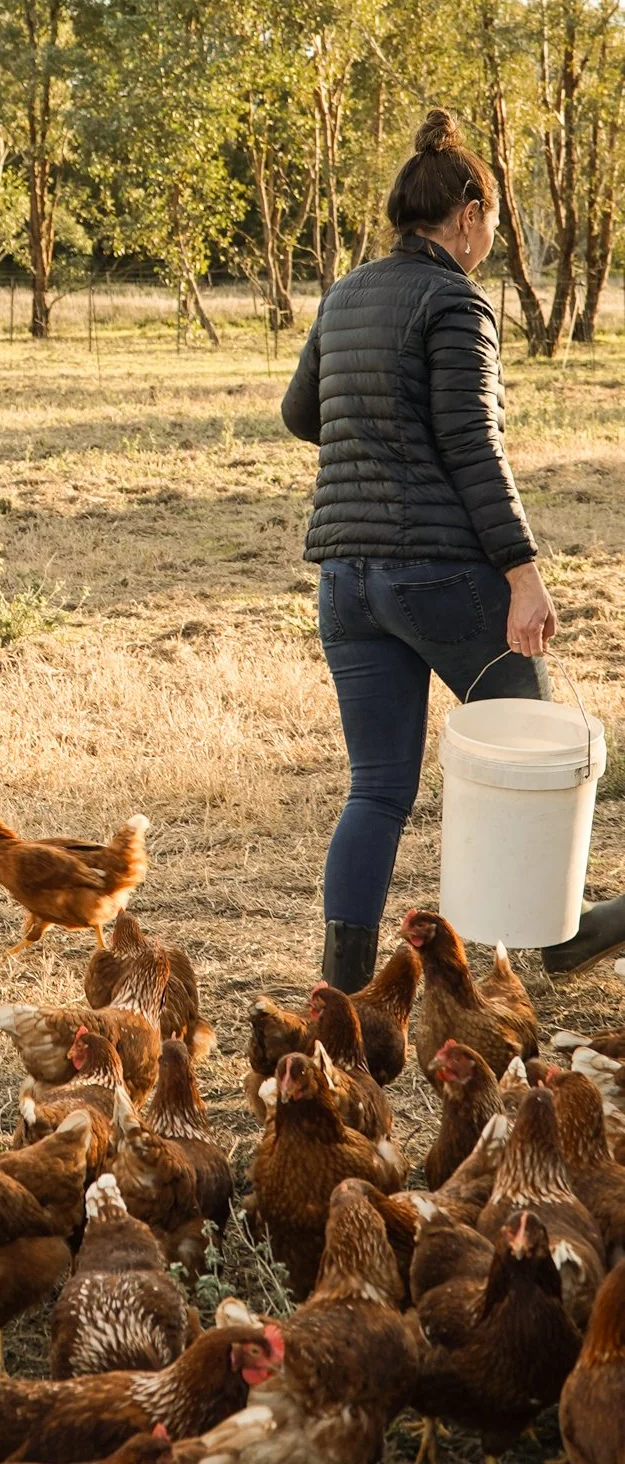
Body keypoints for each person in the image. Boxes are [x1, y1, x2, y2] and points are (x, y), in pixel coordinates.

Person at [281, 108, 556, 992]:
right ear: (469, 214)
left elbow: (299, 414)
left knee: (377, 791)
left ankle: (341, 991)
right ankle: (552, 942)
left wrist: (370, 431)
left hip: (344, 584)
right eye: (493, 223)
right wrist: (523, 575)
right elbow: (474, 444)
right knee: (525, 749)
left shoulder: (347, 292)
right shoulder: (453, 300)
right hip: (439, 577)